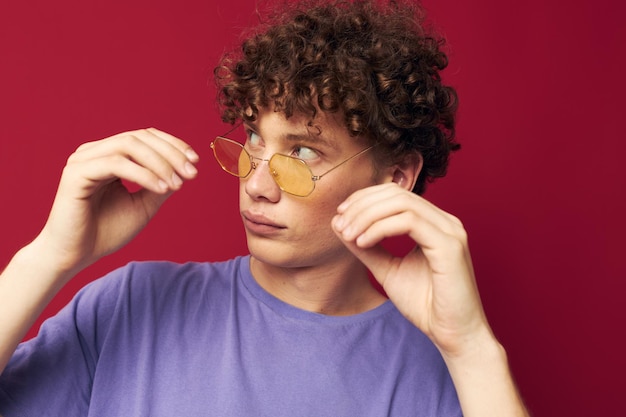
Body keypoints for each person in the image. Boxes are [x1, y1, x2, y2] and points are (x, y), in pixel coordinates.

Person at [0, 0, 529, 415]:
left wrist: (472, 349)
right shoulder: (131, 305)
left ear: (394, 177)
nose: (256, 184)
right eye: (254, 138)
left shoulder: (436, 372)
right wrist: (47, 256)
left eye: (301, 152)